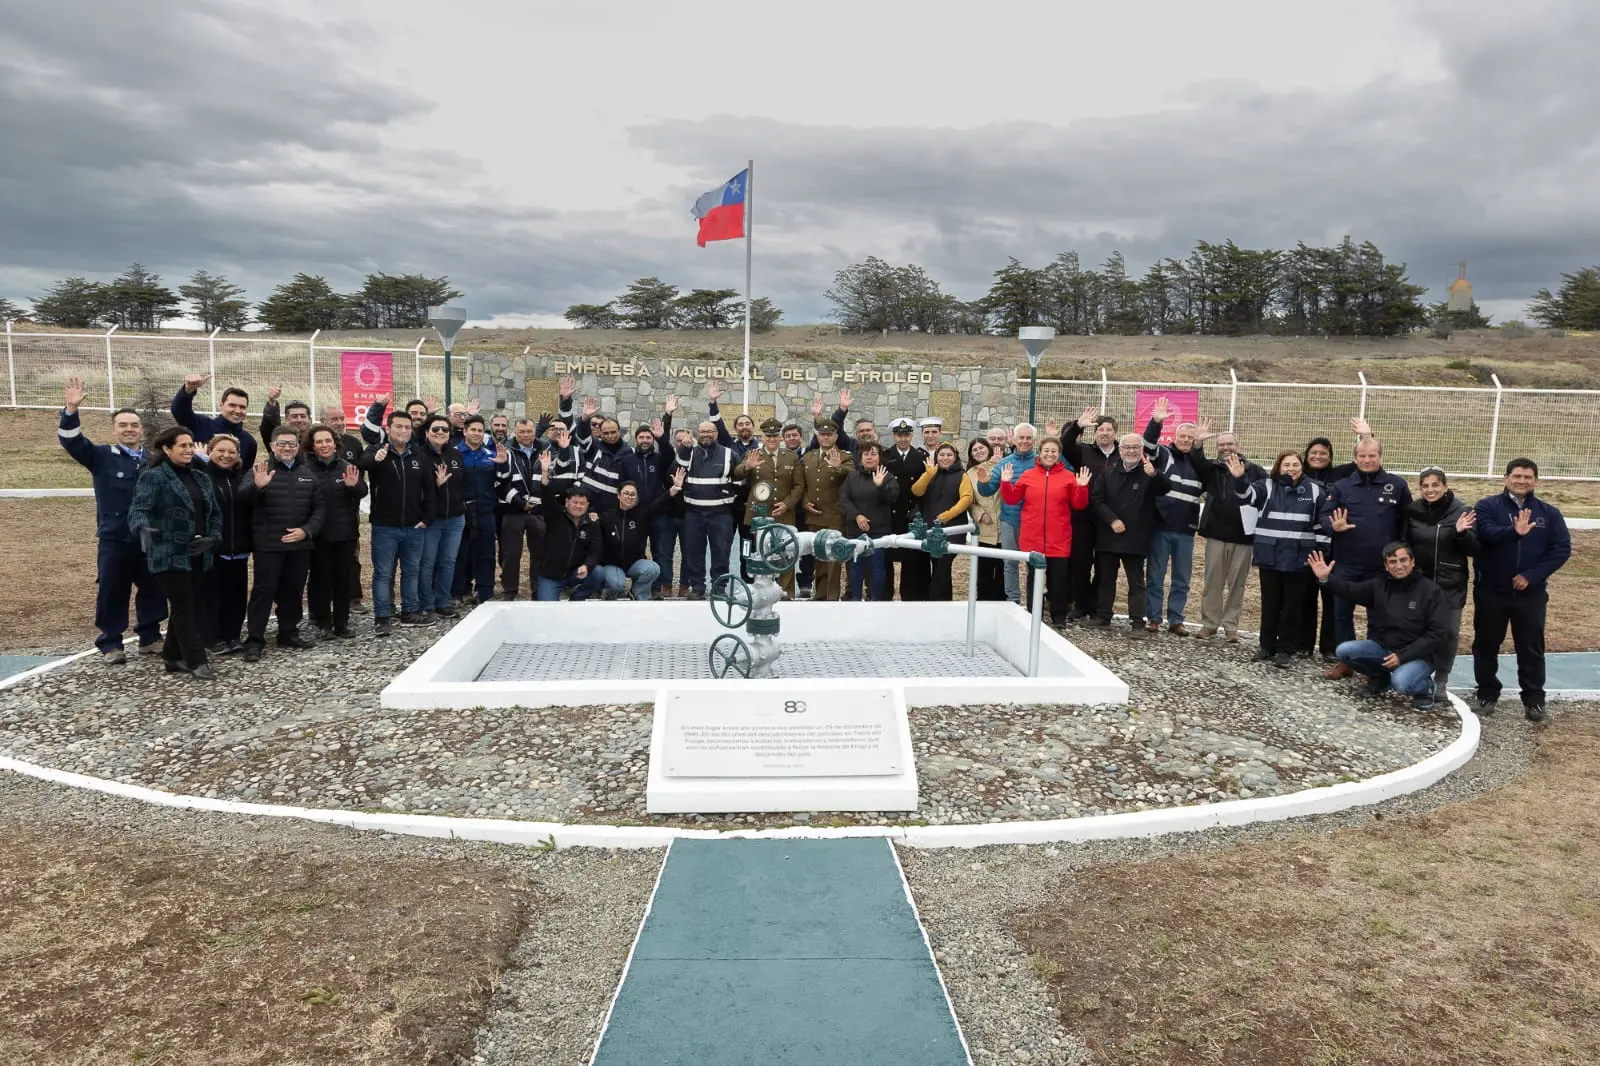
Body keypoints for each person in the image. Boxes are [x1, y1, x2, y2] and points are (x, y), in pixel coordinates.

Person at [58, 377, 166, 663]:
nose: (129, 429)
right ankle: (111, 643)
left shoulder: (155, 459)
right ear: (114, 429)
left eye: (134, 425)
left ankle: (150, 636)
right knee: (112, 589)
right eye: (123, 425)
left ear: (141, 430)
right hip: (115, 537)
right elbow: (71, 441)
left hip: (150, 538)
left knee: (153, 587)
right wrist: (71, 409)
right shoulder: (102, 456)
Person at [1471, 458, 1571, 722]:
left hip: (1530, 594)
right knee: (1485, 644)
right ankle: (1487, 693)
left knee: (1531, 647)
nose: (1522, 481)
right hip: (1491, 591)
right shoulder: (1486, 506)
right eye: (1516, 476)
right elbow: (1488, 534)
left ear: (1535, 481)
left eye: (1528, 477)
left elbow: (1561, 550)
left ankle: (1534, 700)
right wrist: (1514, 532)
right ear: (1506, 478)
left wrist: (1532, 576)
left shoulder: (1549, 513)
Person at [128, 427, 221, 680]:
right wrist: (142, 528)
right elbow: (139, 509)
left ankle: (171, 656)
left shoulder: (201, 478)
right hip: (169, 553)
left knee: (188, 605)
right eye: (182, 445)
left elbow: (214, 513)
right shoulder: (154, 477)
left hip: (199, 552)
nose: (189, 449)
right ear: (167, 449)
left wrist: (213, 537)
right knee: (183, 607)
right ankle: (196, 660)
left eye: (191, 445)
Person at [1309, 544, 1449, 710]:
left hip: (1419, 655)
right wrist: (1326, 578)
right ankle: (1380, 679)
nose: (1398, 566)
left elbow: (1438, 634)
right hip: (1385, 650)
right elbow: (1351, 590)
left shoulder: (1431, 591)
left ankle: (1424, 687)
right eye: (1392, 562)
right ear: (1386, 566)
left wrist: (1402, 656)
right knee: (1344, 651)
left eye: (1403, 560)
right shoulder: (1379, 584)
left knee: (1402, 683)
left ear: (1412, 561)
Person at [1321, 437, 1412, 679]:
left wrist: (1401, 553)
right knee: (1341, 613)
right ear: (1355, 458)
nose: (1367, 460)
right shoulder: (1342, 486)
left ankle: (1373, 664)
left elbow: (1407, 520)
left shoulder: (1397, 485)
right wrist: (1333, 526)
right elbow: (1324, 515)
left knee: (1378, 617)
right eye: (1362, 456)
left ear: (1380, 457)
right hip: (1346, 563)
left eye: (1372, 455)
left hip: (1381, 567)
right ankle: (1345, 662)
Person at [1231, 450, 1327, 666]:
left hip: (1299, 558)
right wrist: (1239, 478)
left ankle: (1286, 649)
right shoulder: (1266, 486)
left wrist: (1323, 551)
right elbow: (1247, 495)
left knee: (1293, 606)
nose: (1291, 469)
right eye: (1286, 465)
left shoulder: (1314, 490)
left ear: (1302, 467)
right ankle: (1266, 646)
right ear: (1278, 466)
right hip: (1270, 556)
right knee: (1270, 603)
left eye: (1295, 465)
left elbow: (1323, 522)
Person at [237, 425, 324, 662]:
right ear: (273, 446)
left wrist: (306, 531)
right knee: (263, 591)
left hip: (299, 545)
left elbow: (319, 509)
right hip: (269, 545)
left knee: (293, 590)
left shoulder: (307, 473)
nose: (287, 448)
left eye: (292, 444)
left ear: (298, 447)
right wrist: (258, 486)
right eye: (282, 443)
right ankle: (255, 639)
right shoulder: (259, 470)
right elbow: (243, 499)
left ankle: (288, 631)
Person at [1300, 418, 1377, 660]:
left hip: (1333, 546)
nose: (1318, 456)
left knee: (1332, 599)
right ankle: (1303, 644)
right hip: (1304, 544)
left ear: (1331, 456)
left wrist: (1366, 435)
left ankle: (1330, 647)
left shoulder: (1340, 476)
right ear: (1306, 455)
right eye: (1313, 452)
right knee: (1305, 598)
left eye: (1323, 453)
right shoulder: (1297, 474)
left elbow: (1364, 461)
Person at [999, 438, 1091, 625]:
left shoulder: (1067, 476)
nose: (1049, 454)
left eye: (1053, 451)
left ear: (1059, 455)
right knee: (1034, 579)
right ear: (1040, 453)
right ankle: (1034, 615)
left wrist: (1082, 487)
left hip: (1059, 538)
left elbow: (1079, 504)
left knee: (1058, 580)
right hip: (1033, 538)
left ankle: (1058, 617)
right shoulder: (1028, 475)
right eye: (1046, 450)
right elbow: (1011, 499)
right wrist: (1006, 483)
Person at [359, 411, 434, 636]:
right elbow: (361, 464)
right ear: (388, 428)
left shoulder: (418, 456)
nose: (403, 431)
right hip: (385, 526)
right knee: (383, 573)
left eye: (407, 427)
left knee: (411, 571)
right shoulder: (377, 451)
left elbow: (429, 490)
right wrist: (375, 459)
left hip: (414, 527)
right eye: (398, 427)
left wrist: (427, 517)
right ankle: (382, 617)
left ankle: (409, 611)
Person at [1405, 466, 1479, 694]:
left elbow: (1475, 549)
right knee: (1419, 631)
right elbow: (1404, 543)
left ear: (1445, 486)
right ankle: (1419, 675)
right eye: (1425, 486)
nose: (1430, 490)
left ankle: (1442, 680)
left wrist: (1461, 533)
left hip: (1450, 584)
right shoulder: (1412, 510)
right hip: (1419, 583)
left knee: (1448, 633)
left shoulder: (1462, 511)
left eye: (1435, 485)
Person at [1089, 434, 1172, 635]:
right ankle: (1103, 616)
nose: (1131, 451)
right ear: (1120, 450)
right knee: (1106, 579)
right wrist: (1112, 520)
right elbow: (1097, 500)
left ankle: (1137, 623)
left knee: (1136, 583)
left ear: (1142, 450)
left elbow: (1166, 488)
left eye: (1136, 447)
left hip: (1136, 538)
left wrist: (1155, 475)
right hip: (1109, 536)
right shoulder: (1108, 473)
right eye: (1127, 447)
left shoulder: (1148, 473)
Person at [1140, 396, 1208, 635]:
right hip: (1161, 526)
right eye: (1183, 437)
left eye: (1191, 438)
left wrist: (1200, 449)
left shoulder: (1199, 464)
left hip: (1186, 529)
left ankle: (1176, 619)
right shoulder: (1164, 455)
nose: (1186, 441)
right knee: (1156, 575)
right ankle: (1154, 618)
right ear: (1174, 437)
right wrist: (1156, 422)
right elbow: (1147, 446)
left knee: (1182, 578)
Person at [1195, 430, 1268, 641]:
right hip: (1216, 534)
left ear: (1238, 445)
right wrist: (1198, 444)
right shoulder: (1213, 469)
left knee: (1237, 583)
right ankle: (1209, 623)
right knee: (1213, 581)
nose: (1226, 448)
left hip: (1243, 537)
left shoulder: (1255, 471)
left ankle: (1230, 626)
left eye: (1230, 444)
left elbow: (1263, 497)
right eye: (1222, 444)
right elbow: (1197, 463)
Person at [306, 424, 366, 639]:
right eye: (319, 441)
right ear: (312, 445)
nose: (324, 445)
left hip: (345, 533)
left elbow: (362, 491)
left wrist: (353, 486)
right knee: (321, 579)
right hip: (319, 534)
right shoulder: (306, 468)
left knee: (343, 580)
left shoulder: (346, 466)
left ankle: (342, 622)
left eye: (328, 441)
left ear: (335, 443)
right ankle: (323, 623)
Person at [1061, 408, 1120, 618]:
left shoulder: (1122, 454)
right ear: (1095, 434)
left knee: (1105, 566)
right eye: (1101, 429)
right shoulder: (1084, 452)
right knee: (1080, 563)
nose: (1104, 433)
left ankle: (1098, 606)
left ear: (1115, 433)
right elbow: (1064, 444)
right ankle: (1081, 605)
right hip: (1083, 516)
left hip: (1109, 518)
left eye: (1108, 430)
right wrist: (1078, 425)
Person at [736, 418, 804, 595]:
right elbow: (737, 473)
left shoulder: (791, 457)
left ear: (780, 437)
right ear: (763, 437)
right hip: (758, 514)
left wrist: (787, 504)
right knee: (757, 553)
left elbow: (799, 485)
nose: (772, 439)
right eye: (768, 436)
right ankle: (759, 592)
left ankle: (786, 594)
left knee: (785, 553)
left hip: (783, 513)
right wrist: (747, 467)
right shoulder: (753, 454)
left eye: (775, 436)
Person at [196, 435, 251, 654]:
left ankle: (233, 635)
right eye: (220, 450)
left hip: (238, 548)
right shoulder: (201, 476)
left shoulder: (242, 478)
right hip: (213, 550)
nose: (226, 456)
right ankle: (212, 638)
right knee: (212, 595)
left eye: (231, 452)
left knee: (236, 596)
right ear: (210, 451)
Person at [676, 419, 739, 599]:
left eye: (710, 431)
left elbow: (740, 482)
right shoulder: (689, 453)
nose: (706, 435)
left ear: (717, 433)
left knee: (721, 552)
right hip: (694, 513)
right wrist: (684, 449)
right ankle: (697, 588)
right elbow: (676, 469)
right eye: (702, 432)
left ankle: (719, 588)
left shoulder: (729, 454)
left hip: (721, 514)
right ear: (697, 433)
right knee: (694, 552)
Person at [979, 421, 1037, 604]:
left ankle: (1033, 602)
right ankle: (1013, 600)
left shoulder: (1039, 462)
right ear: (1015, 439)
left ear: (1033, 440)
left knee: (1033, 564)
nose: (1025, 441)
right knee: (1010, 563)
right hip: (1009, 520)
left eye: (1029, 438)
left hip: (1033, 521)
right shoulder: (1004, 463)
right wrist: (983, 482)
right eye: (1021, 437)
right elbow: (988, 490)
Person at [597, 473, 683, 599]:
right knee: (617, 585)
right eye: (626, 493)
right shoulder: (607, 517)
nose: (629, 497)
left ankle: (637, 592)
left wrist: (674, 488)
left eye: (633, 494)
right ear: (618, 495)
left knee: (653, 568)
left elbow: (659, 504)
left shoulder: (642, 515)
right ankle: (609, 592)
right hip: (612, 565)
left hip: (634, 564)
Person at [797, 421, 855, 601]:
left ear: (836, 437)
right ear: (817, 437)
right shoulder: (808, 457)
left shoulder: (845, 456)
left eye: (830, 434)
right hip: (814, 516)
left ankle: (831, 597)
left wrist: (838, 466)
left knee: (833, 559)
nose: (826, 437)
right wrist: (805, 501)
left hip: (834, 516)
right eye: (822, 434)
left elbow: (852, 475)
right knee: (818, 557)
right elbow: (802, 485)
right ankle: (820, 594)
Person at [913, 442, 975, 601]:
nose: (945, 458)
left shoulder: (962, 475)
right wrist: (928, 475)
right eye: (942, 455)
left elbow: (967, 498)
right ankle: (945, 602)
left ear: (955, 457)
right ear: (936, 457)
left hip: (952, 530)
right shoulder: (931, 472)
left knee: (943, 566)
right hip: (931, 529)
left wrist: (947, 515)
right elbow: (917, 491)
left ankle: (934, 601)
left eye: (949, 455)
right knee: (939, 567)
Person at [419, 414, 466, 619]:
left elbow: (462, 484)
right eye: (436, 429)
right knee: (428, 562)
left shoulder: (455, 455)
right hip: (432, 519)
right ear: (427, 432)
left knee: (448, 561)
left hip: (455, 518)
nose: (440, 433)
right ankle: (426, 604)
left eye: (445, 429)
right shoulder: (419, 455)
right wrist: (435, 485)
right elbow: (416, 490)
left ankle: (443, 602)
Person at [839, 443, 897, 601]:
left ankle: (875, 599)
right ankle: (856, 599)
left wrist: (880, 486)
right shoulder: (852, 477)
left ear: (879, 458)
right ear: (861, 458)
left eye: (873, 454)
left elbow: (892, 497)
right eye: (866, 454)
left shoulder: (887, 476)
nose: (869, 457)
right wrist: (857, 515)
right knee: (856, 566)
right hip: (855, 529)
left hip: (879, 530)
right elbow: (844, 499)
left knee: (877, 567)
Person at [880, 418, 931, 600]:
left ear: (911, 436)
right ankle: (886, 595)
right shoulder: (885, 457)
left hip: (911, 515)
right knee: (886, 558)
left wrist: (918, 509)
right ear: (893, 436)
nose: (903, 439)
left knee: (910, 560)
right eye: (899, 435)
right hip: (890, 515)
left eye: (907, 435)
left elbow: (926, 488)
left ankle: (908, 596)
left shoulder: (921, 457)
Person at [497, 418, 547, 600]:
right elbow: (500, 482)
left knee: (540, 553)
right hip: (513, 510)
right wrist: (520, 503)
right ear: (514, 432)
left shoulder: (545, 450)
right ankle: (509, 592)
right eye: (521, 432)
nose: (525, 435)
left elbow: (550, 478)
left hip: (538, 511)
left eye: (529, 431)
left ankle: (539, 592)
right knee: (511, 554)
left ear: (535, 432)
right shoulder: (505, 451)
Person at [452, 415, 499, 606]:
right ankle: (457, 592)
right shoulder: (454, 453)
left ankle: (485, 592)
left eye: (480, 430)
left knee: (486, 553)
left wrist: (502, 464)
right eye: (473, 430)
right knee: (460, 553)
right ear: (465, 431)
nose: (477, 434)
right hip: (461, 512)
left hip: (486, 511)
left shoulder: (491, 454)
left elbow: (500, 481)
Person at [171, 373, 257, 467]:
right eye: (232, 405)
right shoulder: (200, 424)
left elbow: (243, 476)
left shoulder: (249, 442)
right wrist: (189, 390)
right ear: (221, 405)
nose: (237, 411)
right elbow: (179, 411)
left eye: (242, 407)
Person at [537, 488, 605, 600]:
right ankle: (560, 591)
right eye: (575, 502)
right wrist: (545, 481)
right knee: (546, 610)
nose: (578, 506)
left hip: (575, 573)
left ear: (587, 505)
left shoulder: (592, 523)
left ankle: (577, 596)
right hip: (550, 577)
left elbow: (596, 550)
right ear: (567, 502)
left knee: (599, 572)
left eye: (582, 503)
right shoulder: (555, 515)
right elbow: (547, 498)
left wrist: (586, 566)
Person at [965, 439, 1005, 601]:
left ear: (988, 449)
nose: (978, 451)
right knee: (983, 573)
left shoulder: (1001, 466)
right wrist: (980, 514)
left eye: (981, 448)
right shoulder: (969, 474)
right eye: (974, 450)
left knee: (1003, 572)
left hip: (1004, 527)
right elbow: (969, 501)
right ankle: (983, 603)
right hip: (984, 529)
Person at [259, 387, 312, 451]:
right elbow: (269, 427)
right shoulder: (279, 440)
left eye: (303, 416)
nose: (299, 420)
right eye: (294, 416)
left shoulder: (318, 440)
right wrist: (271, 402)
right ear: (286, 420)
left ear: (310, 419)